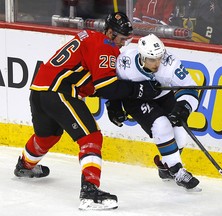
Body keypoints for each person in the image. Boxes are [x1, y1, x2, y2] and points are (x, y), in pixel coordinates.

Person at [13, 12, 161, 211]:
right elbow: (106, 87)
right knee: (91, 137)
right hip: (60, 92)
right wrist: (140, 89)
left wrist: (113, 105)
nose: (124, 43)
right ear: (109, 32)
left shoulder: (89, 37)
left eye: (127, 39)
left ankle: (25, 165)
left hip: (39, 90)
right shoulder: (106, 45)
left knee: (46, 137)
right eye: (122, 38)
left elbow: (99, 81)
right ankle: (89, 192)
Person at [105, 34, 201, 191]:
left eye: (159, 57)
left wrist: (184, 108)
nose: (157, 63)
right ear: (142, 57)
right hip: (136, 100)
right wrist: (113, 105)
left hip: (162, 94)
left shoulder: (169, 63)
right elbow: (112, 83)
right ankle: (177, 171)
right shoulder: (125, 63)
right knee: (162, 126)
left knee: (180, 135)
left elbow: (190, 87)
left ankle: (165, 167)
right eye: (152, 59)